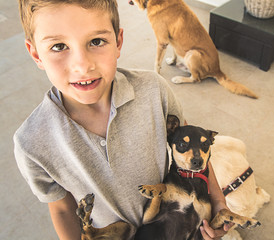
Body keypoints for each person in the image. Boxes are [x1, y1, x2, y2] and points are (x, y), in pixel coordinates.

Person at [14, 0, 231, 239]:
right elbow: (62, 209)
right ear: (36, 54)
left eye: (96, 41)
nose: (82, 65)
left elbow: (195, 145)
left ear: (118, 42)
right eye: (58, 46)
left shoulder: (154, 90)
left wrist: (218, 202)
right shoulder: (31, 143)